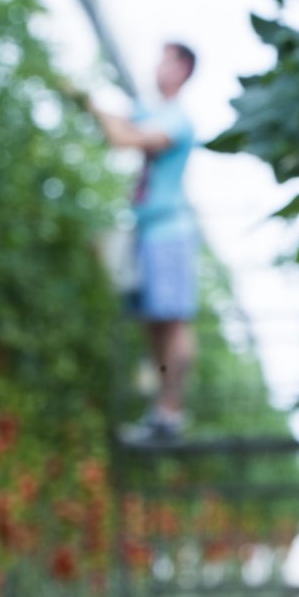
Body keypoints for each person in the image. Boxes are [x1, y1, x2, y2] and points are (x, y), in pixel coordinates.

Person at [89, 42, 199, 442]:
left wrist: (96, 109)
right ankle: (160, 410)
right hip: (148, 230)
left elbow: (123, 138)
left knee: (173, 320)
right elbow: (120, 126)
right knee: (155, 323)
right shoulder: (151, 114)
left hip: (170, 231)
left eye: (166, 59)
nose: (158, 66)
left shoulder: (177, 120)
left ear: (183, 69)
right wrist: (100, 111)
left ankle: (172, 410)